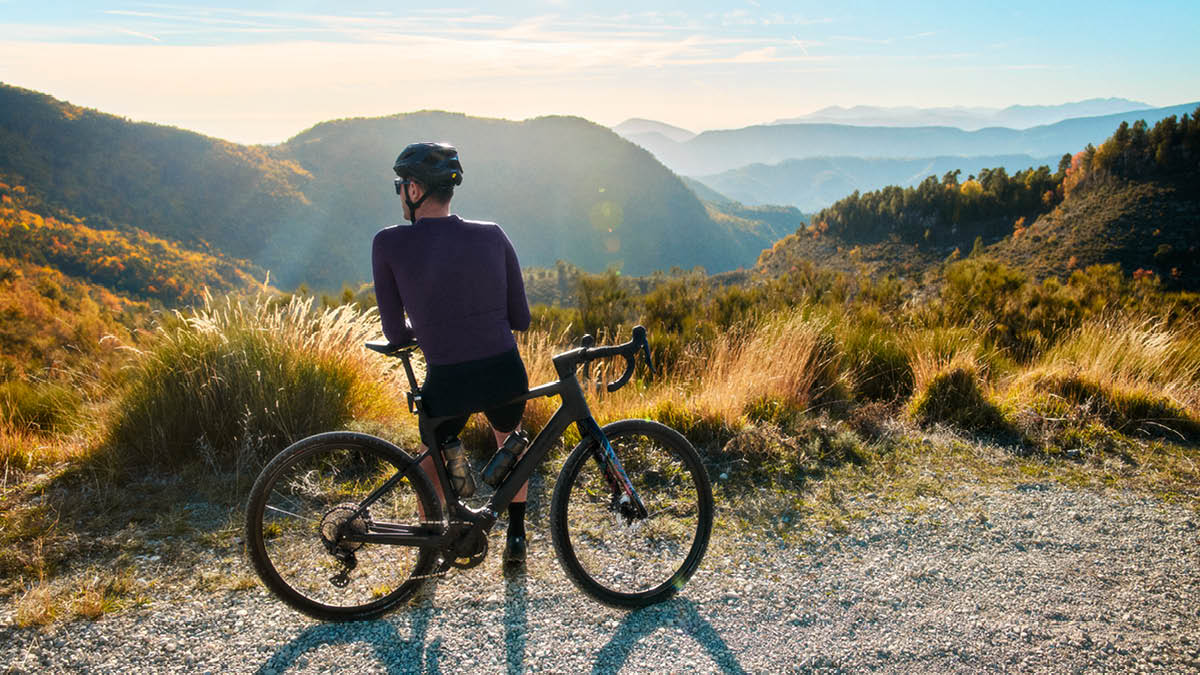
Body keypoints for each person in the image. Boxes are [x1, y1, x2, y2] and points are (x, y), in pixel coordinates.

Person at [371, 141, 533, 566]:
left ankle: (428, 546)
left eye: (401, 185)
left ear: (415, 189)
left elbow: (394, 331)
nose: (400, 192)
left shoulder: (388, 244)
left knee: (436, 457)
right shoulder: (492, 235)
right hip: (502, 368)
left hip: (448, 377)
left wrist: (429, 327)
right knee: (512, 442)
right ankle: (515, 538)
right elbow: (522, 319)